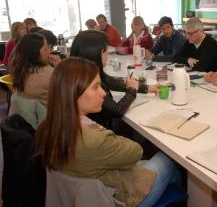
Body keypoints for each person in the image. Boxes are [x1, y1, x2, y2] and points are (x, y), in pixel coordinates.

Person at [35, 57, 180, 207]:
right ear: (73, 92)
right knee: (170, 157)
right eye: (95, 87)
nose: (103, 93)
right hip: (117, 197)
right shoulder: (93, 138)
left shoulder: (49, 126)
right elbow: (136, 152)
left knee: (158, 168)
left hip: (87, 189)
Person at [70, 30, 160, 128]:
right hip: (100, 131)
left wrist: (147, 88)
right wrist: (132, 90)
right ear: (93, 53)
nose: (108, 52)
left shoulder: (83, 73)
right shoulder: (88, 82)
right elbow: (118, 110)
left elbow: (115, 83)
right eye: (104, 50)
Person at [9, 33, 60, 107]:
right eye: (45, 49)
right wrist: (59, 66)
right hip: (51, 113)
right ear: (34, 53)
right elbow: (69, 91)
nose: (49, 51)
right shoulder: (47, 72)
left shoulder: (18, 69)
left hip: (30, 113)